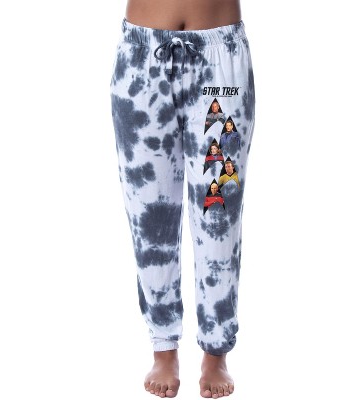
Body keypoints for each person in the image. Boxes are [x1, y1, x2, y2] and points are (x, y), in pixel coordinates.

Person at [110, 0, 255, 397]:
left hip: (219, 63)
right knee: (149, 216)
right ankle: (163, 345)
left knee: (219, 214)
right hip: (142, 59)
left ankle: (215, 350)